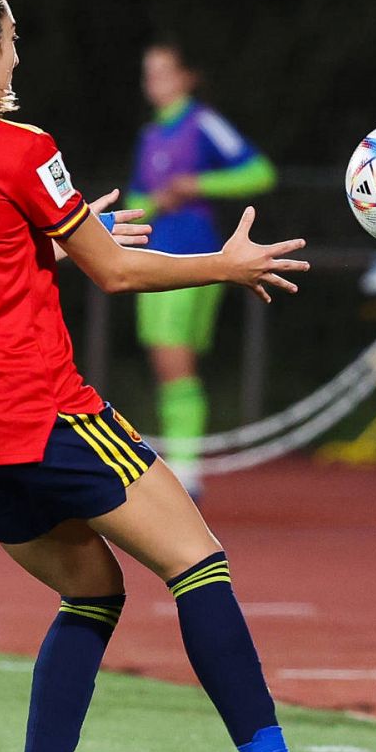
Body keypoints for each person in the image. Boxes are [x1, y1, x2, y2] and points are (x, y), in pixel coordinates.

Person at [0, 0, 305, 752]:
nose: (16, 55)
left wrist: (49, 245)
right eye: (9, 40)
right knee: (199, 563)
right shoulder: (21, 146)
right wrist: (226, 264)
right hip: (36, 411)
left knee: (93, 594)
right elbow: (119, 271)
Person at [126, 43, 278, 497]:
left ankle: (187, 468)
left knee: (175, 362)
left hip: (194, 260)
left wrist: (197, 184)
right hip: (151, 261)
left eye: (164, 73)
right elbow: (136, 202)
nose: (155, 82)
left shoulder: (203, 123)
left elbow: (260, 173)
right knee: (165, 362)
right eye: (148, 73)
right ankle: (182, 460)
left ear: (187, 77)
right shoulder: (151, 135)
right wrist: (158, 201)